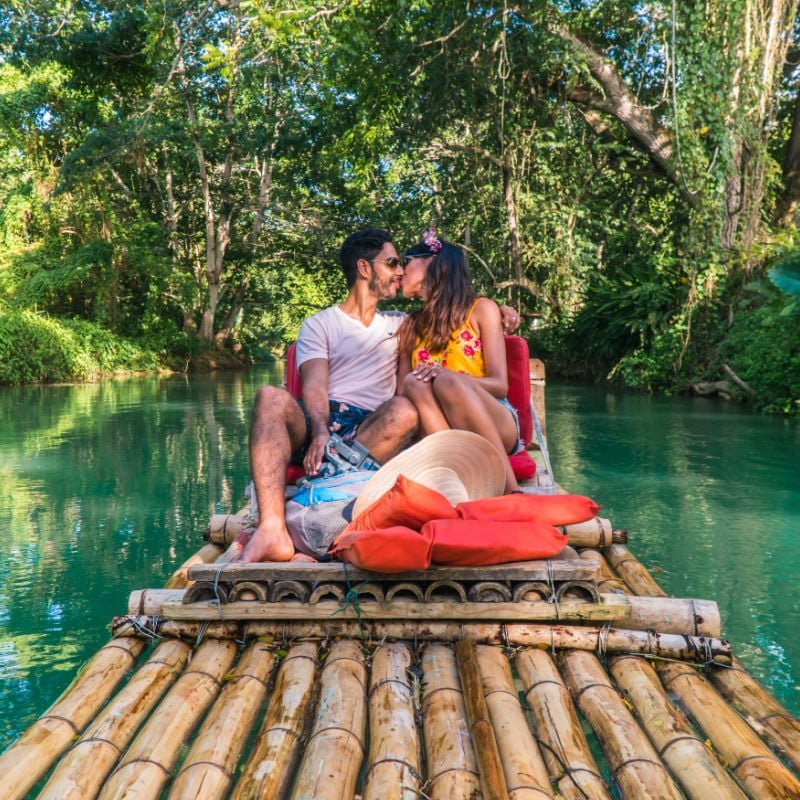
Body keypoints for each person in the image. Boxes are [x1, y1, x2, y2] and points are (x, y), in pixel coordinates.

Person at [238, 229, 419, 562]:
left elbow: (453, 311)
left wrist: (498, 312)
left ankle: (326, 481)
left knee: (405, 410)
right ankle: (273, 529)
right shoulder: (319, 325)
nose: (400, 272)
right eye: (392, 263)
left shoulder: (400, 324)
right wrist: (320, 431)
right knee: (269, 396)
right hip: (320, 424)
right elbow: (315, 387)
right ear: (365, 269)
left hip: (371, 429)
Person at [397, 229, 524, 494]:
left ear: (431, 262)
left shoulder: (482, 309)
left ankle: (509, 489)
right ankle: (460, 478)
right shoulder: (410, 325)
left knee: (447, 381)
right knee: (414, 381)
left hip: (493, 418)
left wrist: (446, 376)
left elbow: (500, 385)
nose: (400, 270)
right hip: (439, 425)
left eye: (406, 260)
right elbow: (402, 393)